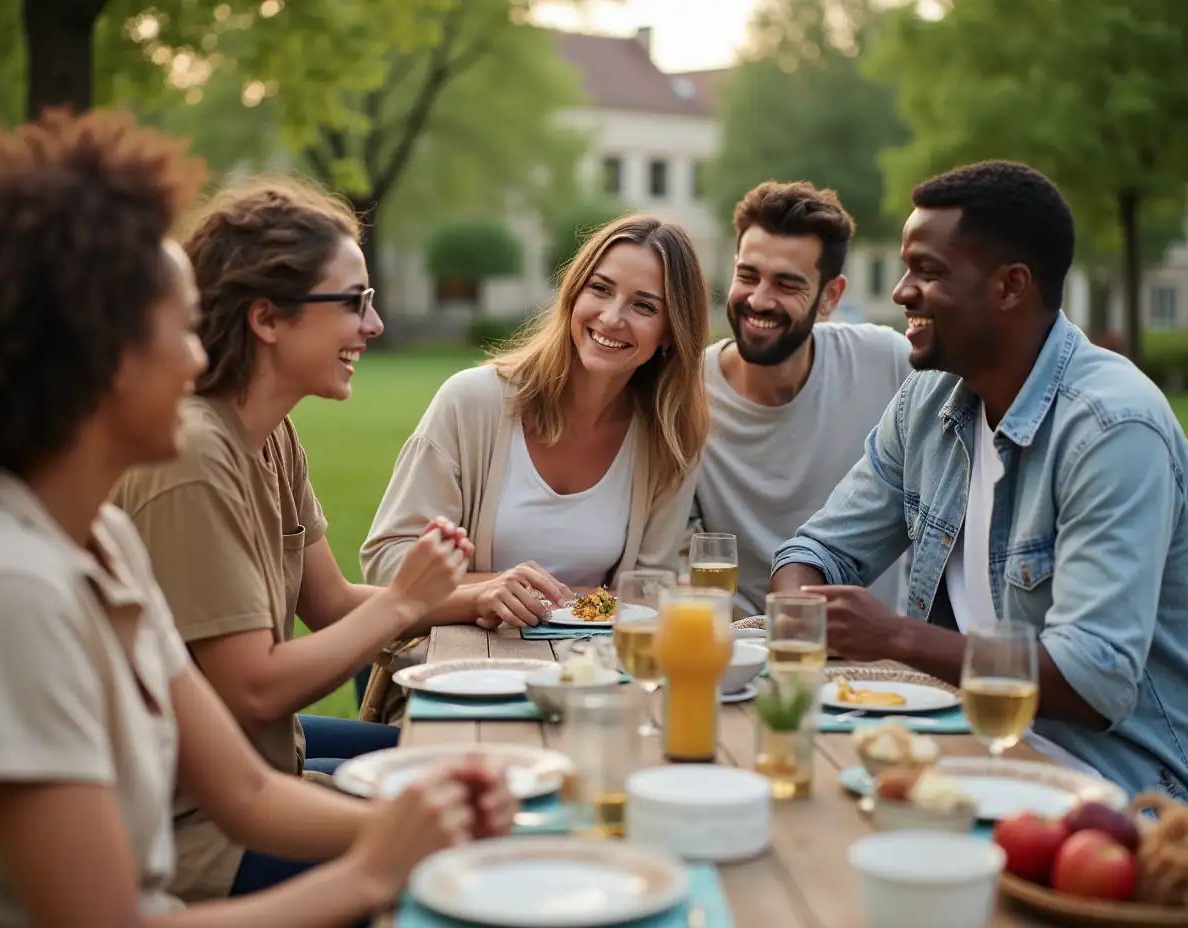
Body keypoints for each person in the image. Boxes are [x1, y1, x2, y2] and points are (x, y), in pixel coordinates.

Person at [0, 107, 514, 928]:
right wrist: (372, 873)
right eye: (179, 330)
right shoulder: (14, 594)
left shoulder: (100, 542)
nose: (197, 357)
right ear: (98, 356)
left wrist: (420, 832)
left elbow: (248, 790)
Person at [110, 177, 506, 902]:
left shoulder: (272, 435)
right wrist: (404, 605)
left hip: (261, 772)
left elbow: (326, 602)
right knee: (472, 852)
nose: (375, 325)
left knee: (480, 763)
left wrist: (476, 598)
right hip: (195, 834)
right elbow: (253, 692)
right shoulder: (195, 457)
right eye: (354, 302)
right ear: (268, 318)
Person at [770, 160, 1188, 799]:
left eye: (929, 272)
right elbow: (821, 551)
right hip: (959, 746)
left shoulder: (1112, 429)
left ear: (1010, 287)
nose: (903, 291)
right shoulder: (928, 399)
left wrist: (896, 638)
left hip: (1112, 788)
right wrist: (802, 612)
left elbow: (1094, 678)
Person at [359, 214, 712, 716]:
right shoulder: (472, 402)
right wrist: (485, 591)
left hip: (590, 688)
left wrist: (573, 601)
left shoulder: (671, 440)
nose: (612, 318)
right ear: (573, 294)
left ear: (672, 332)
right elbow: (387, 563)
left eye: (644, 305)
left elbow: (648, 591)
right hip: (456, 685)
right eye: (600, 289)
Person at [688, 181, 910, 618]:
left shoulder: (887, 362)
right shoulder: (685, 390)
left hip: (873, 659)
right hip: (739, 646)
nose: (758, 299)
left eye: (787, 284)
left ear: (830, 296)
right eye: (747, 275)